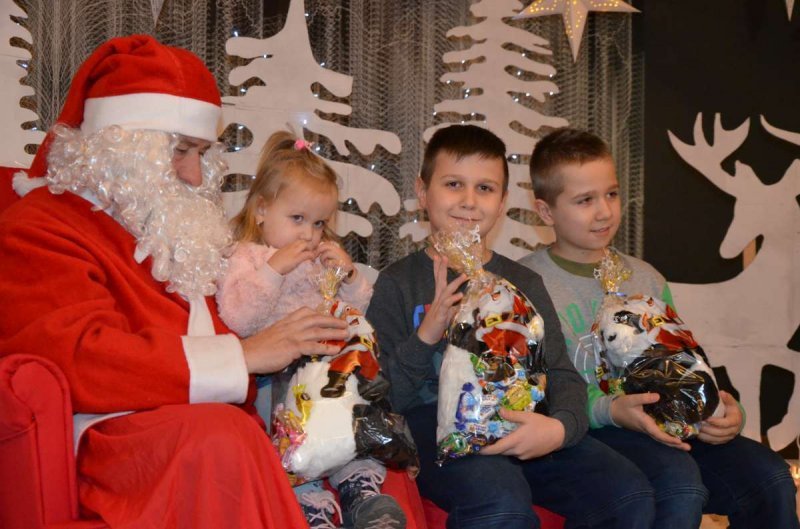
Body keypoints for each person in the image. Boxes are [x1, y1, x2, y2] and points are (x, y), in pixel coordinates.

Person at [0, 35, 354, 529]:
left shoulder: (177, 233)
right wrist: (243, 356)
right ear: (120, 146)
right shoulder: (41, 226)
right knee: (220, 441)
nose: (193, 175)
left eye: (201, 153)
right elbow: (77, 356)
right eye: (180, 150)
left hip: (202, 422)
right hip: (110, 437)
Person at [367, 124, 658, 529]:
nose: (469, 201)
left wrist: (559, 429)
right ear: (422, 191)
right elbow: (376, 400)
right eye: (453, 184)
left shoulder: (524, 283)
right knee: (501, 503)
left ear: (503, 201)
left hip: (527, 424)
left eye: (485, 188)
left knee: (629, 495)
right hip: (438, 432)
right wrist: (425, 338)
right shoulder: (398, 284)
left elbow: (562, 375)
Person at [519, 127, 799, 529]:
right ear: (546, 212)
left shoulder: (646, 278)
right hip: (589, 433)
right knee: (678, 485)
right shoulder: (528, 284)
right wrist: (611, 411)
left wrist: (718, 410)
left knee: (770, 476)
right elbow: (534, 394)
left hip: (662, 425)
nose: (604, 211)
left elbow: (683, 365)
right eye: (585, 200)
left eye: (611, 194)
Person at [216, 130, 406, 529]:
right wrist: (274, 270)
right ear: (261, 210)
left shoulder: (317, 263)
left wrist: (347, 275)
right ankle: (308, 504)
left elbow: (358, 312)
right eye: (297, 219)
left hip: (326, 371)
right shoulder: (246, 256)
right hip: (277, 378)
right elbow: (238, 318)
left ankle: (360, 491)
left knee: (348, 422)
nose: (309, 234)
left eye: (319, 223)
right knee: (295, 440)